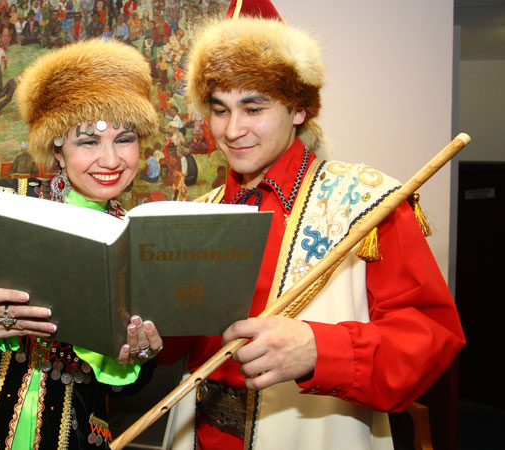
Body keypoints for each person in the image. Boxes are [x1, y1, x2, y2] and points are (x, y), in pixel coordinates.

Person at [156, 1, 466, 449]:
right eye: (220, 110)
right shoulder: (199, 213)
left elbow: (431, 337)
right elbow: (178, 342)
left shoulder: (366, 203)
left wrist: (320, 350)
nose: (232, 130)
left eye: (253, 108)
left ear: (299, 108)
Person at [0, 38, 162, 450]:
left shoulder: (140, 241)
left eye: (125, 139)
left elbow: (126, 388)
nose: (111, 160)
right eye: (88, 141)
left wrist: (136, 357)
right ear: (57, 148)